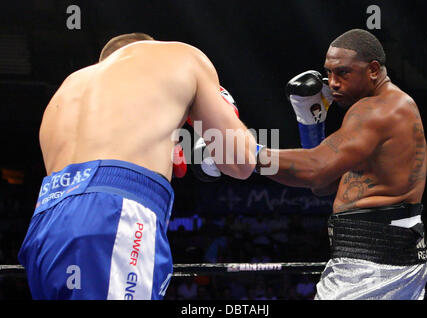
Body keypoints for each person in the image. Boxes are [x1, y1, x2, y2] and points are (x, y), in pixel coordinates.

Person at [17, 32, 258, 300]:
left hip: (46, 225)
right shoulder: (180, 57)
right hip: (112, 218)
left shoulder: (68, 87)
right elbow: (240, 161)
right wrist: (226, 106)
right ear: (149, 47)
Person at [255, 29, 427, 299]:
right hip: (387, 261)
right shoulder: (388, 108)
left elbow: (315, 170)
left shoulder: (377, 109)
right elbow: (324, 186)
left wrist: (244, 153)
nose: (333, 83)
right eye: (329, 73)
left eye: (343, 73)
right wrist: (310, 126)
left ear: (373, 69)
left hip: (371, 268)